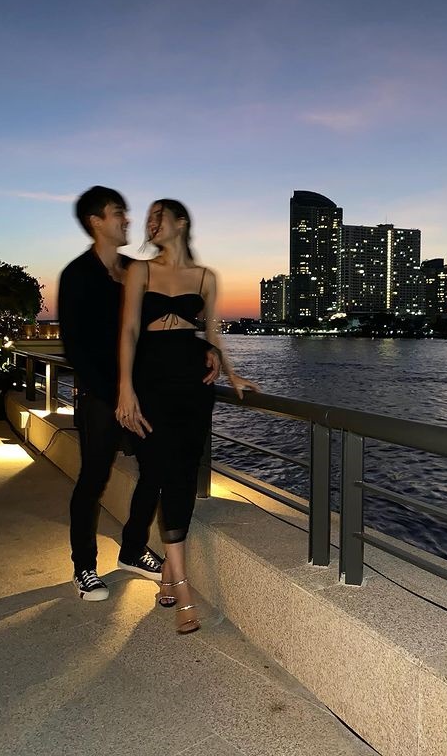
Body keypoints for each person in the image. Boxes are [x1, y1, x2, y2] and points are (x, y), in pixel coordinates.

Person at [58, 186, 221, 601]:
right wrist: (116, 395)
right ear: (96, 221)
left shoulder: (136, 269)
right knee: (94, 477)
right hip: (102, 395)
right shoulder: (78, 274)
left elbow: (159, 326)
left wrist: (207, 349)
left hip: (145, 389)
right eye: (118, 213)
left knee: (155, 472)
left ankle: (132, 549)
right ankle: (84, 566)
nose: (128, 220)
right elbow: (75, 346)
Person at [116, 199, 258, 633]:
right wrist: (125, 389)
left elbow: (212, 333)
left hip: (193, 383)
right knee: (159, 470)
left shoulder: (205, 277)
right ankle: (182, 586)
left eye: (159, 217)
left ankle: (167, 573)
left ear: (181, 223)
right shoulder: (140, 271)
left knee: (182, 473)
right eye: (148, 219)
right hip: (150, 378)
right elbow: (129, 330)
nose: (151, 223)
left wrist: (231, 372)